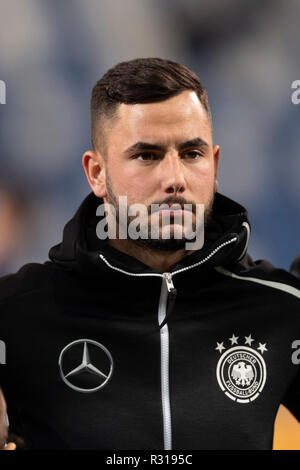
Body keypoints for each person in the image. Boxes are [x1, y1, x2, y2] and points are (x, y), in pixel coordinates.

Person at [0, 57, 300, 450]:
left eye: (191, 154)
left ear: (214, 163)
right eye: (147, 156)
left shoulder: (282, 310)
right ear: (97, 173)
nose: (174, 179)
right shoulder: (16, 314)